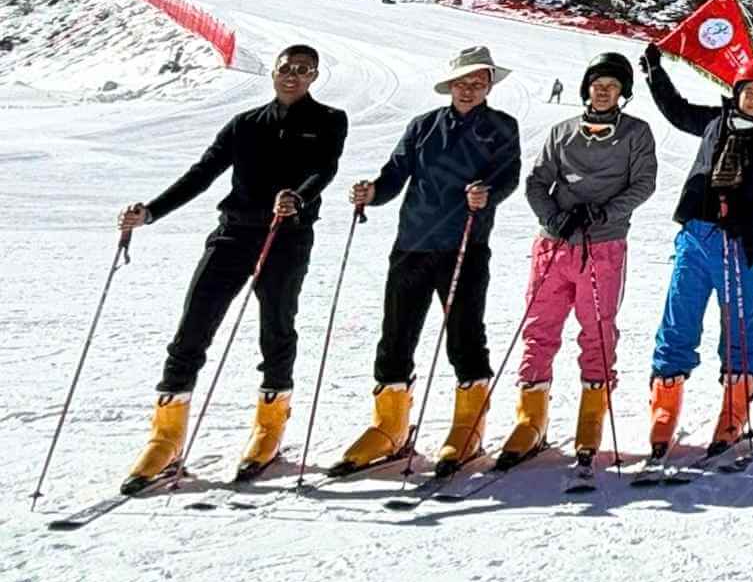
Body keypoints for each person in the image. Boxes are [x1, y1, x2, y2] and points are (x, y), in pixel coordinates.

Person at [118, 43, 349, 491]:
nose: (293, 75)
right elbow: (202, 173)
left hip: (286, 236)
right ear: (274, 72)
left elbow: (325, 169)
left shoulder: (329, 120)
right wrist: (151, 212)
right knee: (192, 328)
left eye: (303, 70)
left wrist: (298, 197)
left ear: (314, 76)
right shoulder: (245, 124)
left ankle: (268, 430)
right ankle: (165, 440)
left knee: (276, 328)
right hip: (234, 234)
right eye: (286, 67)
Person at [335, 46, 523, 476]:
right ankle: (389, 427)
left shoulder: (501, 127)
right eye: (462, 82)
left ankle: (468, 427)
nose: (468, 90)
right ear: (450, 85)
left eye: (478, 83)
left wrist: (488, 194)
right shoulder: (423, 126)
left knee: (464, 334)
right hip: (413, 243)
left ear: (489, 86)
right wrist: (372, 193)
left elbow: (508, 175)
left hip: (465, 244)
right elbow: (395, 174)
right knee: (396, 335)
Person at [496, 51, 658, 472]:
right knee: (539, 326)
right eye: (597, 84)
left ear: (623, 93)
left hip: (602, 246)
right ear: (586, 88)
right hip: (555, 244)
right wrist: (552, 217)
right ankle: (531, 416)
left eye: (612, 86)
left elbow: (643, 184)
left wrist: (603, 213)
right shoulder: (562, 131)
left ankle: (591, 415)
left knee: (598, 329)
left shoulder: (636, 133)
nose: (603, 91)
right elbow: (537, 181)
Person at [639, 43, 753, 461]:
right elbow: (677, 111)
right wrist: (655, 72)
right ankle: (664, 404)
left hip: (742, 243)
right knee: (679, 317)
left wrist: (747, 221)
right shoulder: (716, 120)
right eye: (749, 91)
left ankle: (735, 405)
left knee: (740, 324)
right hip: (697, 233)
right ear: (737, 91)